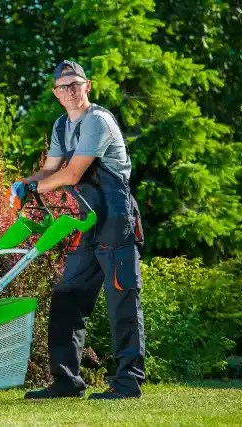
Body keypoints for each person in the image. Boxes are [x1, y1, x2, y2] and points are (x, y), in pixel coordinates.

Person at [9, 60, 146, 400]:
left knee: (122, 300)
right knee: (68, 295)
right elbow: (50, 170)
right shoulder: (61, 127)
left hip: (117, 220)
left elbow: (70, 176)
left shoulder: (97, 121)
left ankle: (128, 383)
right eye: (63, 86)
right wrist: (23, 184)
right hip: (90, 222)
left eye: (75, 84)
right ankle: (66, 381)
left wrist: (36, 190)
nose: (70, 90)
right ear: (56, 93)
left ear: (88, 86)